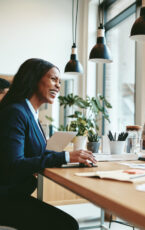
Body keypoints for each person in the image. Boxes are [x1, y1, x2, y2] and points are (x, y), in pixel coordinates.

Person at [0, 58, 97, 229]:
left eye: (59, 81)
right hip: (6, 199)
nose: (58, 86)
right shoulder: (16, 112)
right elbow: (13, 164)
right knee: (68, 225)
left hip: (14, 195)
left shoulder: (30, 113)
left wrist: (71, 158)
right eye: (53, 79)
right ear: (34, 79)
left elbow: (37, 153)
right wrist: (66, 156)